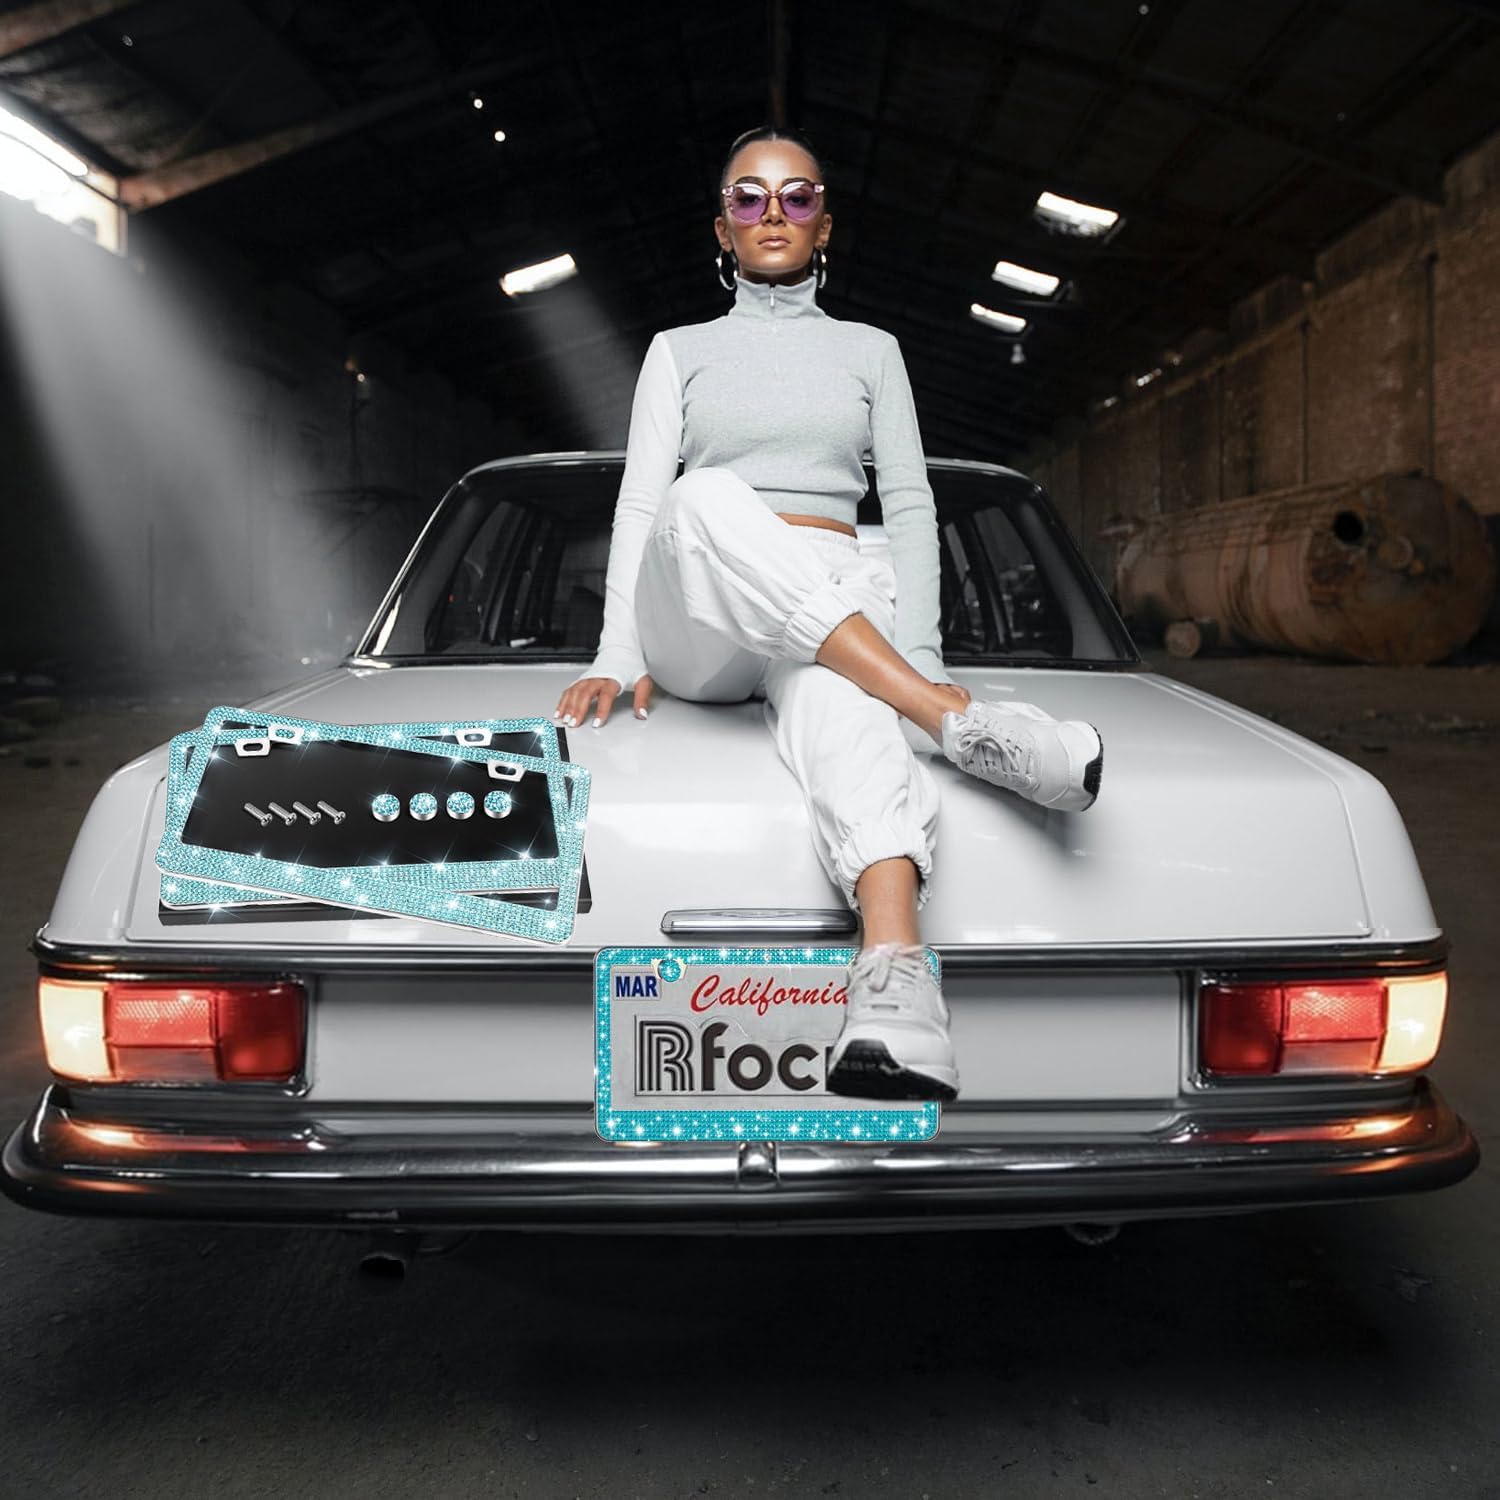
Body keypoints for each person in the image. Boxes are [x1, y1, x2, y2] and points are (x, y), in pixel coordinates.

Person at [552, 125, 1104, 1104]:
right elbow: (643, 503)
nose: (773, 213)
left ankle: (897, 987)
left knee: (846, 706)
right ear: (721, 229)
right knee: (701, 498)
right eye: (749, 197)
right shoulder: (678, 351)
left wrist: (920, 650)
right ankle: (952, 724)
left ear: (824, 224)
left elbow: (912, 504)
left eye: (796, 196)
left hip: (833, 599)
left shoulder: (872, 352)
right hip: (701, 615)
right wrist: (617, 650)